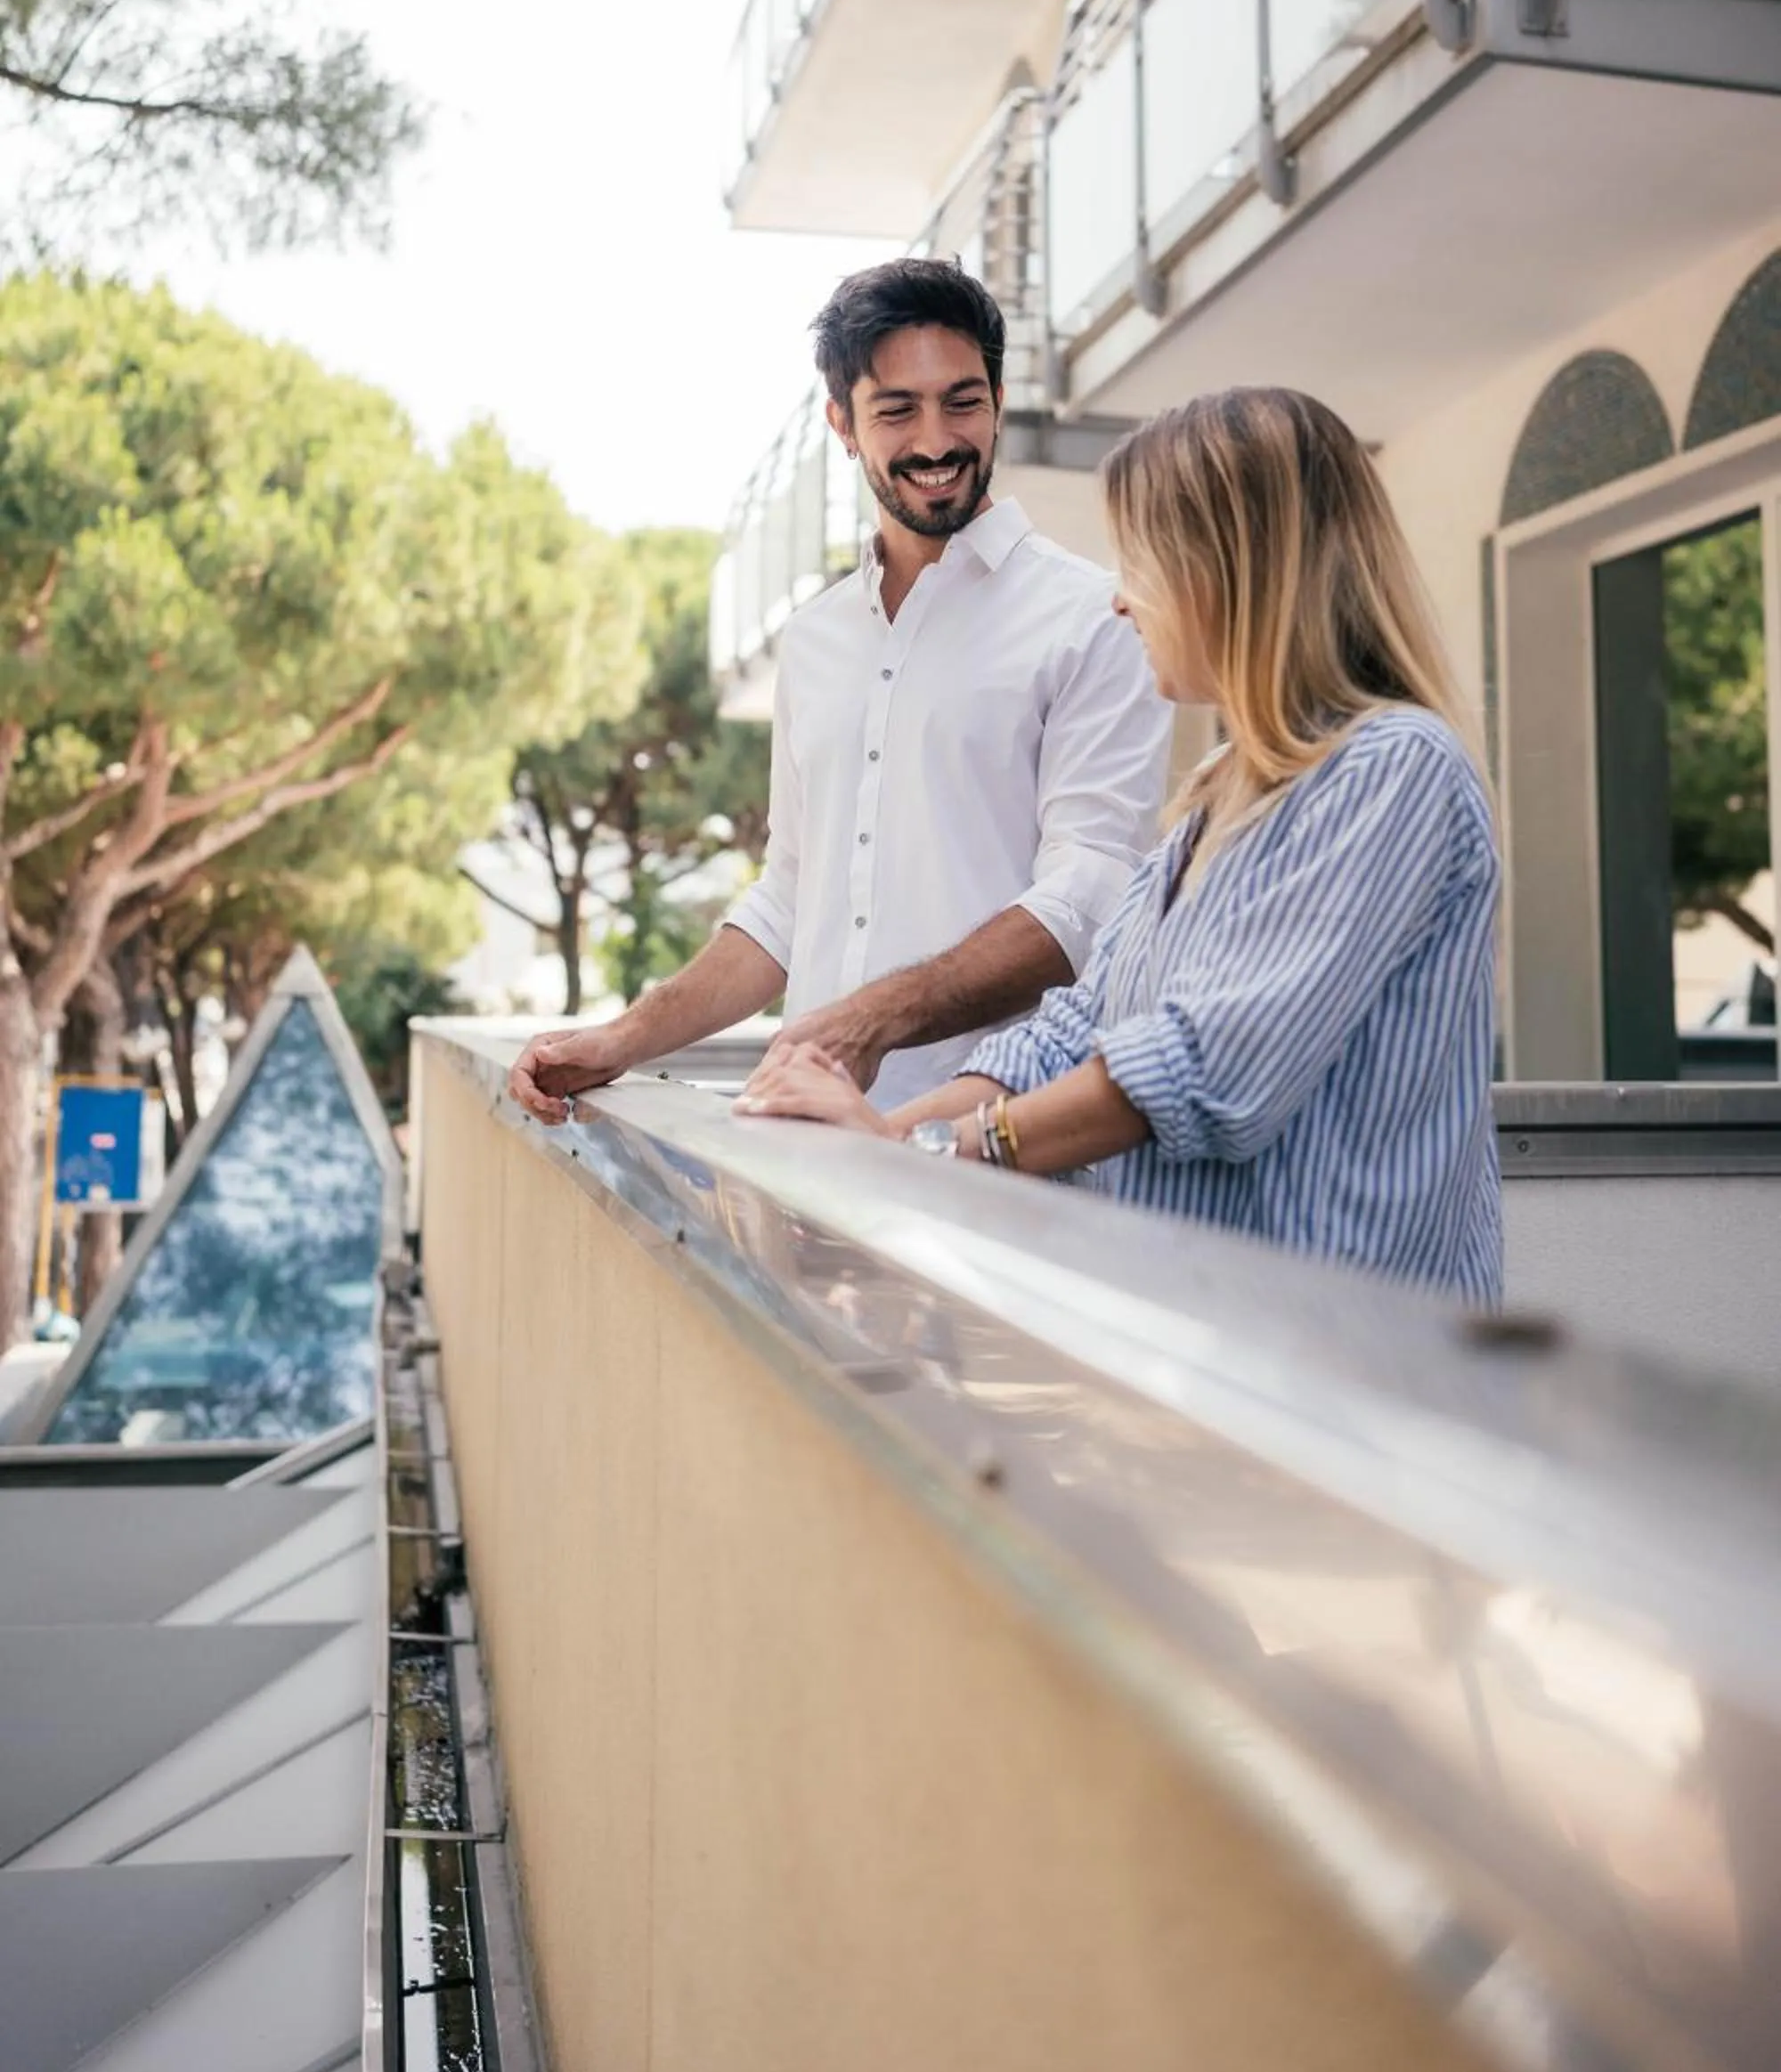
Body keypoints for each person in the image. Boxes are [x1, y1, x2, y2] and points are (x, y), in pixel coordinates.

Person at [736, 386, 1504, 1302]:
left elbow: (1203, 1066)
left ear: (1233, 571)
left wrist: (923, 1149)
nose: (1120, 602)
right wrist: (882, 1140)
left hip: (1341, 1358)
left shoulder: (1393, 770)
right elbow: (1069, 1033)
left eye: (1141, 562)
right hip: (1203, 1342)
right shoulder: (1215, 797)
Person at [509, 257, 1172, 1123]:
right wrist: (621, 1039)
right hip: (809, 1144)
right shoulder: (814, 640)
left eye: (962, 402)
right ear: (842, 424)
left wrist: (874, 1019)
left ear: (999, 404)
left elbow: (1088, 896)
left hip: (996, 1148)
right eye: (896, 410)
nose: (935, 440)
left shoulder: (1091, 617)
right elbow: (789, 899)